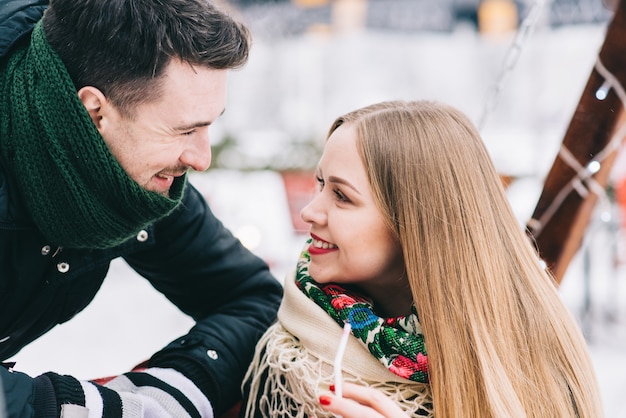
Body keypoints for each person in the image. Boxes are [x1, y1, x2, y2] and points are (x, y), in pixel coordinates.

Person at [0, 0, 283, 416]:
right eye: (185, 129)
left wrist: (178, 389)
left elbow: (251, 299)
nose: (200, 158)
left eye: (209, 126)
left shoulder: (134, 182)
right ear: (95, 111)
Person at [242, 100, 604, 417]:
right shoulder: (290, 348)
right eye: (320, 184)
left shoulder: (532, 357)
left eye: (342, 196)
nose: (309, 211)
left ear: (414, 225)